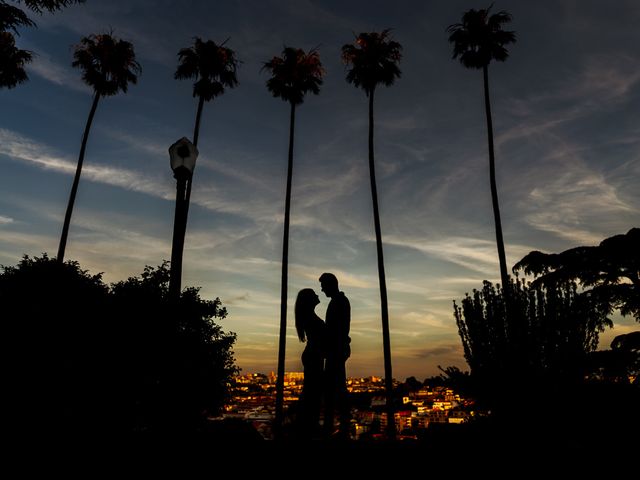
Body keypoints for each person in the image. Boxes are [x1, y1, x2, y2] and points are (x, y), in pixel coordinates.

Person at [319, 272, 351, 438]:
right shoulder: (338, 301)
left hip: (335, 350)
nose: (322, 290)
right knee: (335, 388)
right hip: (336, 349)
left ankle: (337, 426)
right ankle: (338, 425)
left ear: (331, 285)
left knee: (335, 389)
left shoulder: (339, 302)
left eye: (323, 286)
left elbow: (337, 330)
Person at [294, 288, 326, 438]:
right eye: (314, 295)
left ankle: (307, 424)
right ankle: (308, 425)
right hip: (313, 355)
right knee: (312, 392)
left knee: (312, 391)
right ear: (308, 300)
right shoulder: (310, 317)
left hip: (313, 355)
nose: (317, 295)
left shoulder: (309, 316)